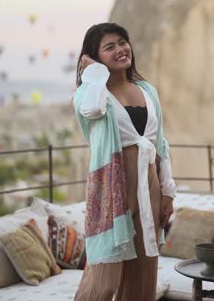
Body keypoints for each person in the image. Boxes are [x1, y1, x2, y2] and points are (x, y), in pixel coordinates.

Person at [72, 23, 177, 301]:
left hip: (149, 184)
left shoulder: (147, 90)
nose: (120, 49)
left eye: (123, 42)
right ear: (95, 56)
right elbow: (93, 110)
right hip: (110, 190)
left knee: (142, 276)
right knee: (103, 278)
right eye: (109, 46)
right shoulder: (89, 92)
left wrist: (167, 192)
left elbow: (160, 144)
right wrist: (94, 73)